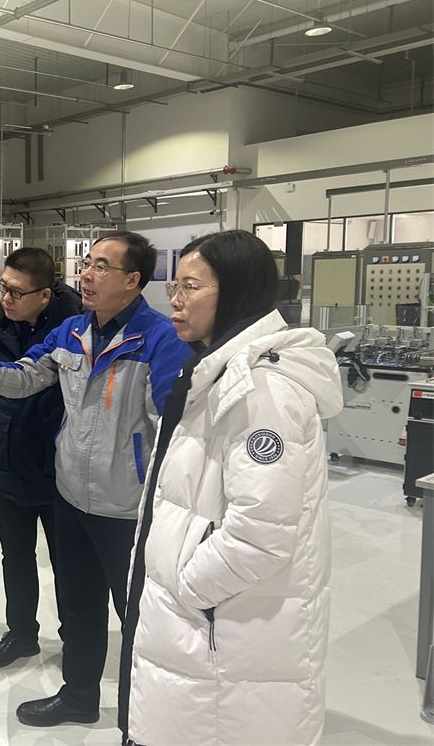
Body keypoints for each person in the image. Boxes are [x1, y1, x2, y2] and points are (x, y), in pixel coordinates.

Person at [0, 232, 191, 728]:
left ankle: (148, 714)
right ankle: (79, 697)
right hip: (71, 497)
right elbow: (26, 376)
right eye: (87, 264)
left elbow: (176, 427)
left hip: (126, 507)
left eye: (102, 266)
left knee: (139, 615)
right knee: (79, 607)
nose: (87, 274)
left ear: (132, 280)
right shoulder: (72, 332)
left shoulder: (159, 339)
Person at [123, 230, 342, 746]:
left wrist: (187, 586)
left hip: (221, 629)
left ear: (237, 291)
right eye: (174, 286)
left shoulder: (261, 389)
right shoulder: (216, 369)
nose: (176, 301)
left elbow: (261, 534)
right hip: (209, 628)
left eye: (191, 287)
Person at [0, 247, 81, 671]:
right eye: (3, 288)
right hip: (4, 452)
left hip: (60, 462)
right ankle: (22, 634)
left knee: (69, 562)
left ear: (44, 295)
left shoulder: (75, 324)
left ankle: (76, 639)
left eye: (16, 292)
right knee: (16, 556)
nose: (5, 298)